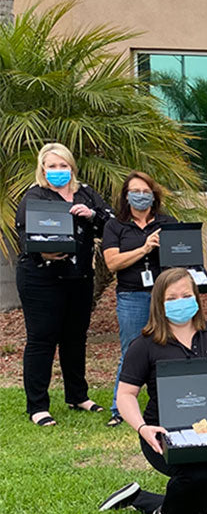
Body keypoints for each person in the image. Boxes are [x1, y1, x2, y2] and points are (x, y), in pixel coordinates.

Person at [97, 268, 207, 514]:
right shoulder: (144, 345)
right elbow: (125, 395)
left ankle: (136, 497)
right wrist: (143, 428)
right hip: (161, 432)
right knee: (194, 474)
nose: (181, 302)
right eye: (172, 297)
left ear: (197, 298)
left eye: (186, 295)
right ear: (159, 303)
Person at [14, 142, 114, 426]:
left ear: (72, 167)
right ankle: (37, 406)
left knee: (75, 338)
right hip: (40, 278)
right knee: (42, 339)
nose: (58, 171)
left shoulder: (85, 193)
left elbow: (112, 223)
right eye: (52, 166)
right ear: (43, 169)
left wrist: (91, 214)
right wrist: (40, 250)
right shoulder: (34, 196)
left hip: (80, 277)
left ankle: (77, 395)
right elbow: (22, 235)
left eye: (63, 165)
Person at [101, 171, 178, 426]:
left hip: (165, 296)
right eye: (135, 191)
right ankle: (119, 408)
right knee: (131, 352)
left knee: (170, 350)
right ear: (126, 195)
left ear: (154, 196)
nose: (141, 196)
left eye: (146, 192)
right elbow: (112, 262)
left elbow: (181, 256)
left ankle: (171, 405)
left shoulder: (168, 223)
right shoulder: (115, 226)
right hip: (131, 295)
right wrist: (144, 248)